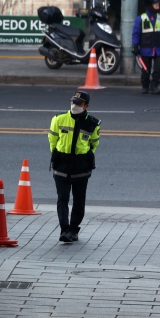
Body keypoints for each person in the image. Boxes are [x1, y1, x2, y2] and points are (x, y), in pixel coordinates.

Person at [48, 91, 100, 243]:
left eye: (78, 104)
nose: (74, 106)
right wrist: (57, 154)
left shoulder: (92, 123)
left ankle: (74, 229)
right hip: (62, 163)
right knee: (62, 198)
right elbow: (52, 138)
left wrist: (84, 156)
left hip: (81, 166)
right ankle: (65, 230)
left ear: (86, 106)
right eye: (73, 102)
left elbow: (94, 143)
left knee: (79, 200)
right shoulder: (58, 119)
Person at [132, 0, 160, 94]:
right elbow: (136, 33)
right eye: (155, 3)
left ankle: (154, 86)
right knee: (146, 69)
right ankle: (145, 86)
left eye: (158, 3)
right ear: (150, 5)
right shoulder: (140, 18)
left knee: (158, 68)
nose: (157, 5)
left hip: (159, 48)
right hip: (146, 48)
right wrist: (135, 45)